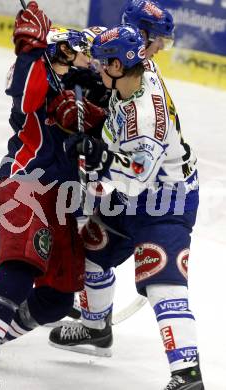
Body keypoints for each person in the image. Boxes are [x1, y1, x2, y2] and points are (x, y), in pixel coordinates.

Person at [0, 3, 107, 389]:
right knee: (21, 265)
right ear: (60, 52)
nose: (91, 60)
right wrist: (31, 47)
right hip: (26, 184)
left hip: (62, 199)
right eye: (80, 52)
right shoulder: (38, 76)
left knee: (59, 294)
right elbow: (24, 92)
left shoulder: (90, 93)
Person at [49, 20, 204, 390]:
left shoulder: (145, 123)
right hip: (135, 189)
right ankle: (95, 327)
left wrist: (98, 156)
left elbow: (133, 180)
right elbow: (118, 42)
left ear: (118, 67)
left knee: (163, 283)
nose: (96, 67)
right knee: (90, 252)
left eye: (102, 64)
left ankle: (187, 375)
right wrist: (68, 45)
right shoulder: (138, 66)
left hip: (166, 200)